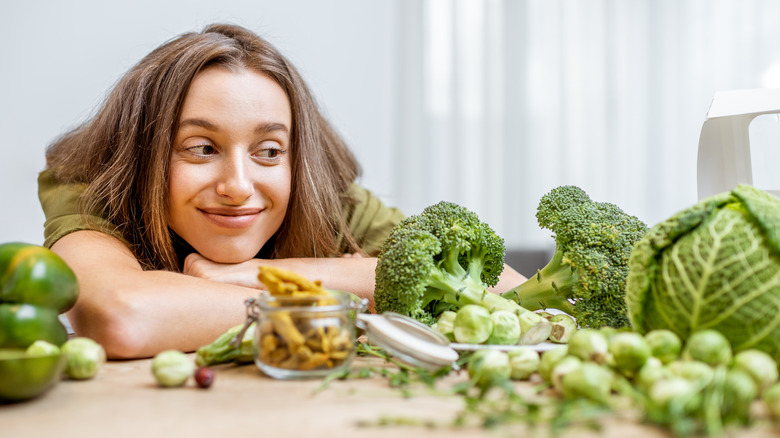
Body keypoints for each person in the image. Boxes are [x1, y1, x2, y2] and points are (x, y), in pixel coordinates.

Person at [38, 23, 526, 359]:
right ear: (144, 151)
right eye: (201, 148)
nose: (237, 186)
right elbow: (123, 317)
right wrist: (347, 291)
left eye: (269, 151)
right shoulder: (90, 185)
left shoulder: (326, 200)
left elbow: (509, 291)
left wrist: (263, 274)